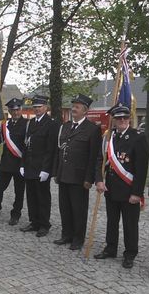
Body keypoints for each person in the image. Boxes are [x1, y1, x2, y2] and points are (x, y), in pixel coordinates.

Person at [93, 103, 149, 268]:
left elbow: (141, 169)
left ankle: (130, 254)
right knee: (112, 221)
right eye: (118, 118)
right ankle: (110, 249)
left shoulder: (138, 137)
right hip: (111, 188)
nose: (122, 120)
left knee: (130, 224)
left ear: (129, 118)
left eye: (125, 117)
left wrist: (137, 193)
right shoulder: (108, 138)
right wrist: (99, 180)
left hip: (129, 190)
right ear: (114, 120)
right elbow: (99, 160)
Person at [53, 94, 101, 248]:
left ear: (85, 111)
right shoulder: (65, 126)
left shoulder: (92, 129)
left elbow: (94, 156)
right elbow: (58, 151)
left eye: (77, 107)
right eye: (73, 106)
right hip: (64, 174)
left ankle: (78, 239)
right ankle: (66, 235)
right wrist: (56, 172)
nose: (73, 109)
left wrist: (89, 178)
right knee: (64, 208)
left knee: (78, 210)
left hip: (80, 177)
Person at [20, 95, 59, 237]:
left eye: (39, 107)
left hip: (42, 167)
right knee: (31, 195)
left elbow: (51, 149)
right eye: (35, 107)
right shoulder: (31, 123)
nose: (37, 109)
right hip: (30, 165)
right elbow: (26, 145)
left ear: (46, 107)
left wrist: (46, 170)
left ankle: (44, 224)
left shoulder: (51, 124)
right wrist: (22, 164)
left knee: (42, 196)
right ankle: (34, 221)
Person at [0, 98, 27, 224]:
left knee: (18, 192)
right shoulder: (5, 125)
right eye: (12, 110)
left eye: (17, 109)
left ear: (21, 109)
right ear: (9, 111)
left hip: (20, 163)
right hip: (6, 163)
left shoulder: (27, 124)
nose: (15, 112)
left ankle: (15, 215)